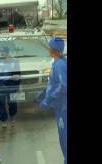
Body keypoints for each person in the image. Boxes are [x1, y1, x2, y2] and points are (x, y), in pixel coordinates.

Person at [35, 36, 67, 164]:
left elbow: (63, 86)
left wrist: (47, 101)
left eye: (49, 46)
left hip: (63, 108)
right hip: (59, 108)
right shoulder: (57, 63)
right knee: (62, 139)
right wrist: (43, 93)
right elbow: (53, 83)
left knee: (64, 139)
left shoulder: (60, 65)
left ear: (53, 49)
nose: (48, 48)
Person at [0, 46, 20, 128]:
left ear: (7, 52)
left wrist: (16, 79)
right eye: (1, 52)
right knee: (0, 102)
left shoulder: (15, 61)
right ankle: (3, 120)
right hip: (1, 85)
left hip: (11, 85)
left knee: (12, 102)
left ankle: (12, 116)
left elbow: (18, 74)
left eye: (3, 52)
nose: (1, 54)